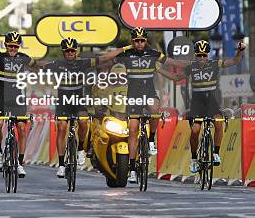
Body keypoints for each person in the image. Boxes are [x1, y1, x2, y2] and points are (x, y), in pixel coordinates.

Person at [103, 27, 189, 184]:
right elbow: (107, 57)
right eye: (136, 41)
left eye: (142, 40)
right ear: (132, 41)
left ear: (146, 40)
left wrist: (194, 64)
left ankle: (150, 140)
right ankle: (133, 169)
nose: (140, 43)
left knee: (155, 110)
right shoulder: (127, 53)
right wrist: (125, 48)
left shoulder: (153, 53)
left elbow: (173, 62)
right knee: (133, 130)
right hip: (133, 95)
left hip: (149, 92)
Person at [157, 39, 246, 173]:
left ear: (208, 55)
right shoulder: (191, 67)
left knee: (218, 123)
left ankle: (215, 153)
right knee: (195, 130)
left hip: (211, 101)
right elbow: (176, 77)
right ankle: (193, 159)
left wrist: (240, 51)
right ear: (195, 55)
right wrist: (159, 70)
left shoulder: (215, 64)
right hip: (197, 103)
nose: (202, 58)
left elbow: (235, 61)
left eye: (204, 55)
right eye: (199, 55)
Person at [44, 37, 122, 178]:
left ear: (76, 51)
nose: (70, 53)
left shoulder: (82, 63)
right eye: (67, 51)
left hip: (78, 101)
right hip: (63, 102)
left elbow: (104, 58)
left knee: (83, 122)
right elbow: (38, 66)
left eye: (72, 51)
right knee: (62, 128)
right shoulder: (57, 64)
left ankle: (80, 148)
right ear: (63, 52)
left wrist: (123, 49)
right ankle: (61, 164)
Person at [0, 18, 35, 178]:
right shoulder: (0, 58)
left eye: (15, 46)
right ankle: (0, 153)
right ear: (6, 45)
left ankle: (20, 163)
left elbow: (38, 64)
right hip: (1, 98)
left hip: (18, 99)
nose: (13, 48)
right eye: (10, 46)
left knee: (22, 128)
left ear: (19, 46)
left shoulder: (24, 58)